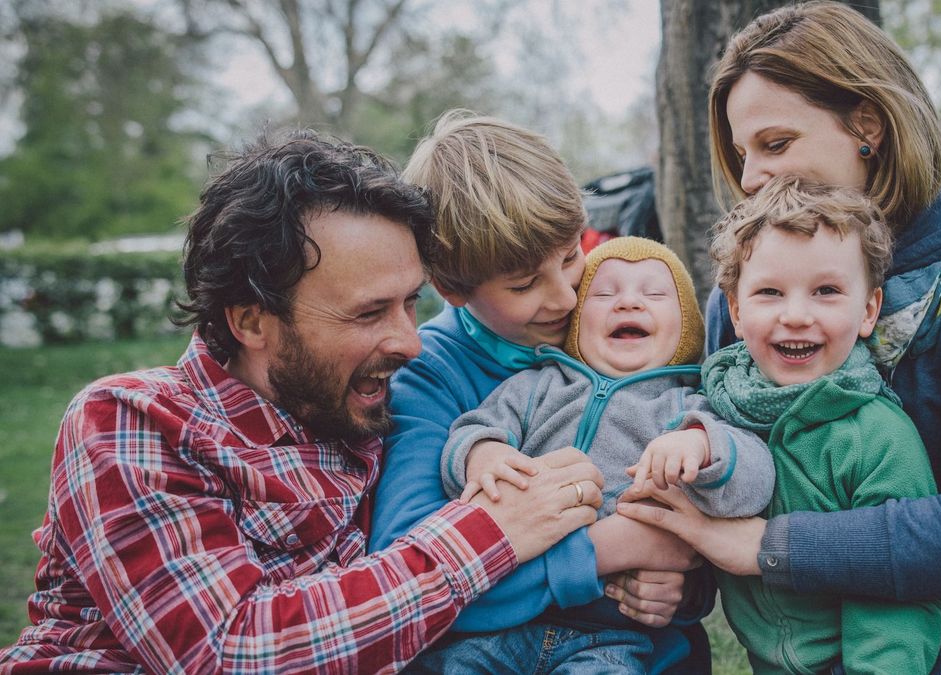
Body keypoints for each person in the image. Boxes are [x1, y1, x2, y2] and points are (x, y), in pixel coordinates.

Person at [0, 130, 605, 673]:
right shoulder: (133, 422)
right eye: (368, 313)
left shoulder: (364, 409)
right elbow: (227, 650)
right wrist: (491, 532)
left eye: (411, 303)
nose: (409, 343)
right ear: (251, 321)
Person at [618, 3, 941, 673]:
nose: (749, 179)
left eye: (775, 144)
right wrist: (664, 572)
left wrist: (767, 547)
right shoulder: (742, 302)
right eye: (743, 154)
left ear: (868, 125)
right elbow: (710, 491)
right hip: (801, 650)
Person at [367, 112, 712, 672]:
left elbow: (688, 546)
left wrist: (679, 587)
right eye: (525, 284)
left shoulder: (634, 337)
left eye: (571, 256)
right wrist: (610, 550)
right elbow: (411, 583)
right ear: (452, 288)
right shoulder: (432, 374)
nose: (567, 299)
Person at [418, 237, 775, 672]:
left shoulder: (688, 410)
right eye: (604, 294)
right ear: (576, 320)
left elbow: (756, 481)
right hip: (503, 627)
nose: (628, 303)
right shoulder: (538, 387)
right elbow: (472, 429)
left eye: (654, 293)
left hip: (614, 635)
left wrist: (701, 443)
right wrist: (482, 453)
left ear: (687, 325)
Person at [701, 177, 941, 673]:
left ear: (869, 310)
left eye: (827, 291)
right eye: (769, 292)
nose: (796, 315)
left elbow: (898, 592)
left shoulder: (876, 436)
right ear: (736, 310)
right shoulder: (717, 410)